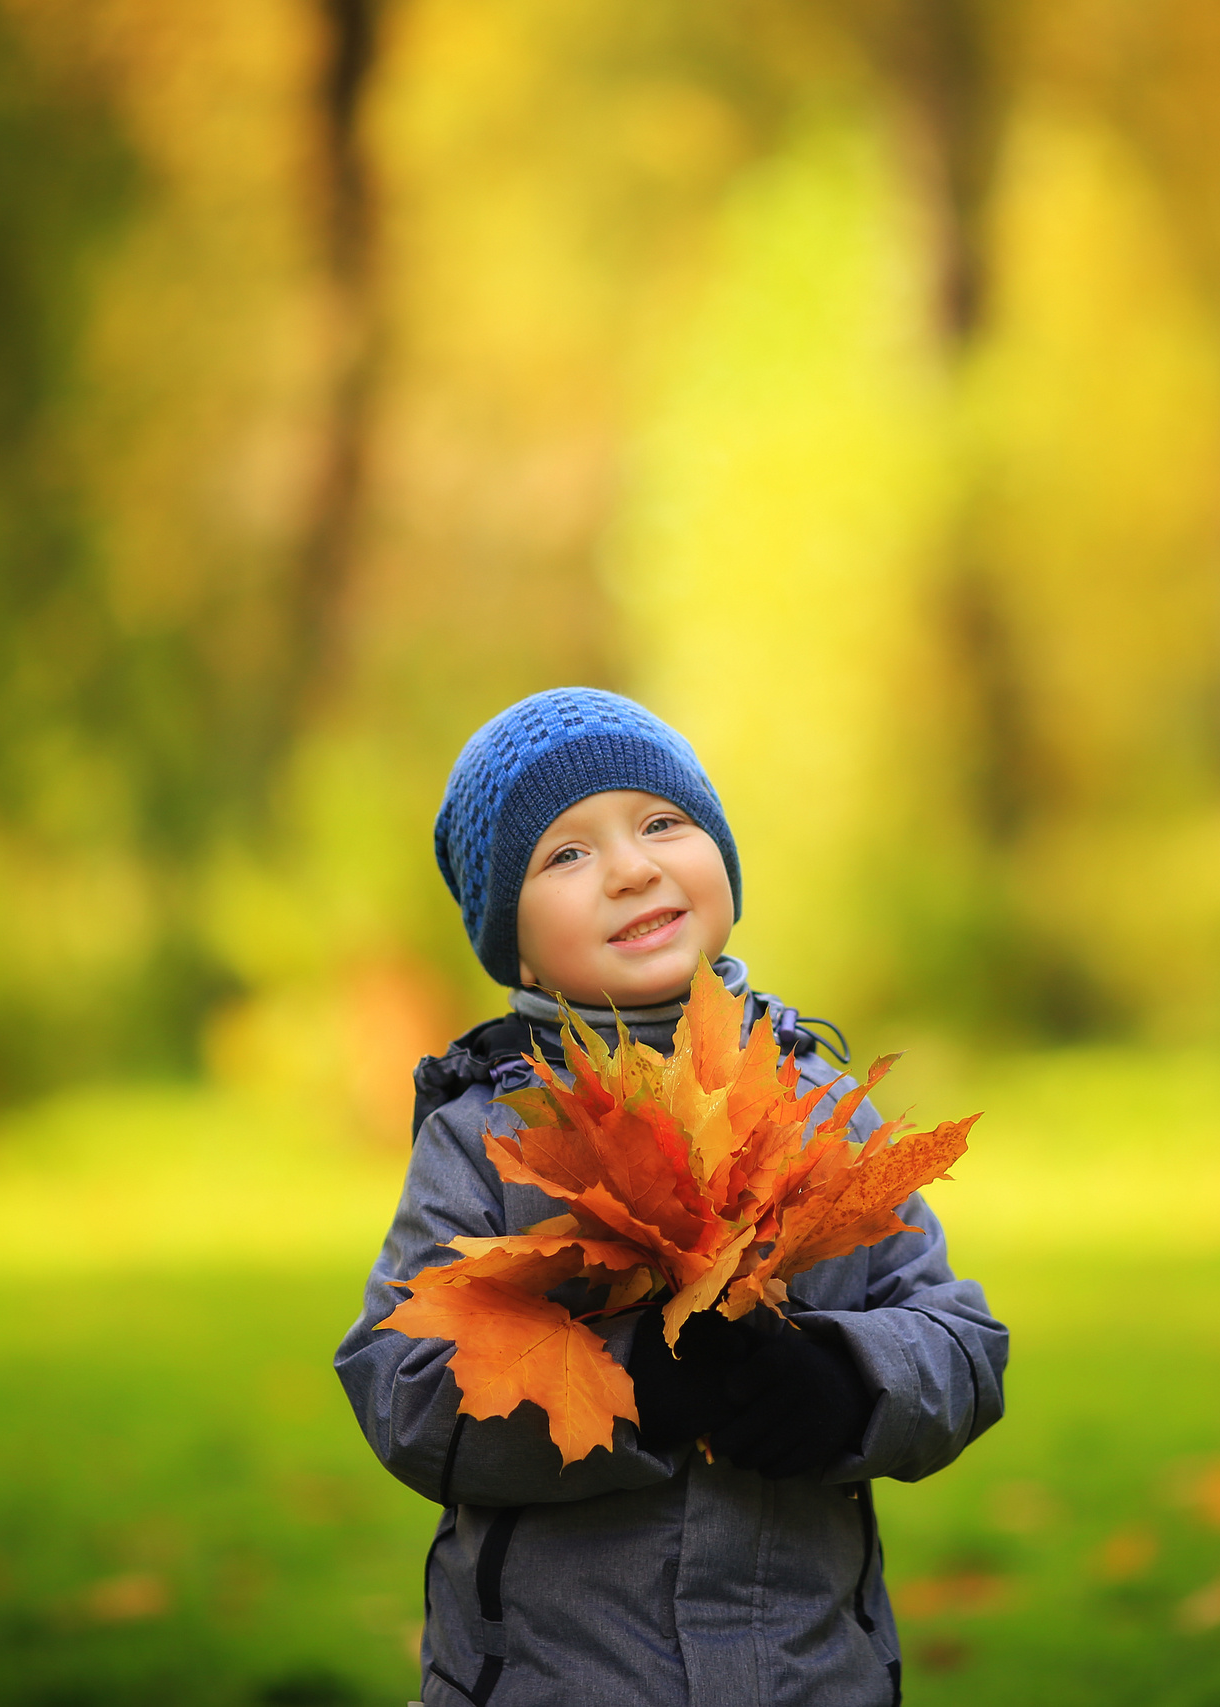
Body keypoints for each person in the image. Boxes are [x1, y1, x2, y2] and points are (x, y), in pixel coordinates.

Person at [334, 687, 1008, 1707]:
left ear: (720, 859)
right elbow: (404, 1386)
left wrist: (847, 1381)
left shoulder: (820, 1106)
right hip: (559, 1681)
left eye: (662, 823)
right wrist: (626, 1384)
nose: (632, 868)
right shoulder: (488, 1138)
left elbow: (960, 1340)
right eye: (565, 854)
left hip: (807, 1674)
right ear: (508, 938)